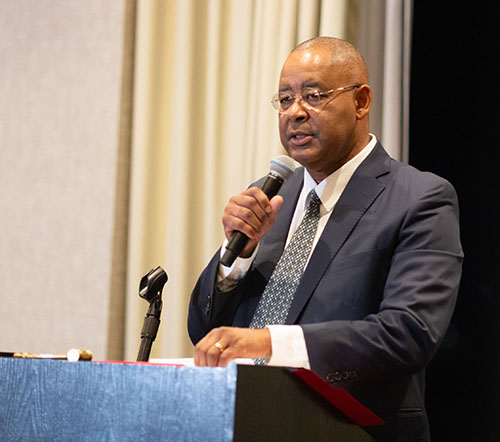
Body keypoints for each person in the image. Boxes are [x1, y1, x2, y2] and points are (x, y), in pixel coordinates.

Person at [187, 37, 463, 441]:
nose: (295, 113)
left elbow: (409, 334)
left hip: (354, 430)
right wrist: (237, 258)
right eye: (284, 100)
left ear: (361, 102)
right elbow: (205, 329)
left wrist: (268, 344)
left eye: (313, 95)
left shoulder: (419, 198)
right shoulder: (270, 201)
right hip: (251, 424)